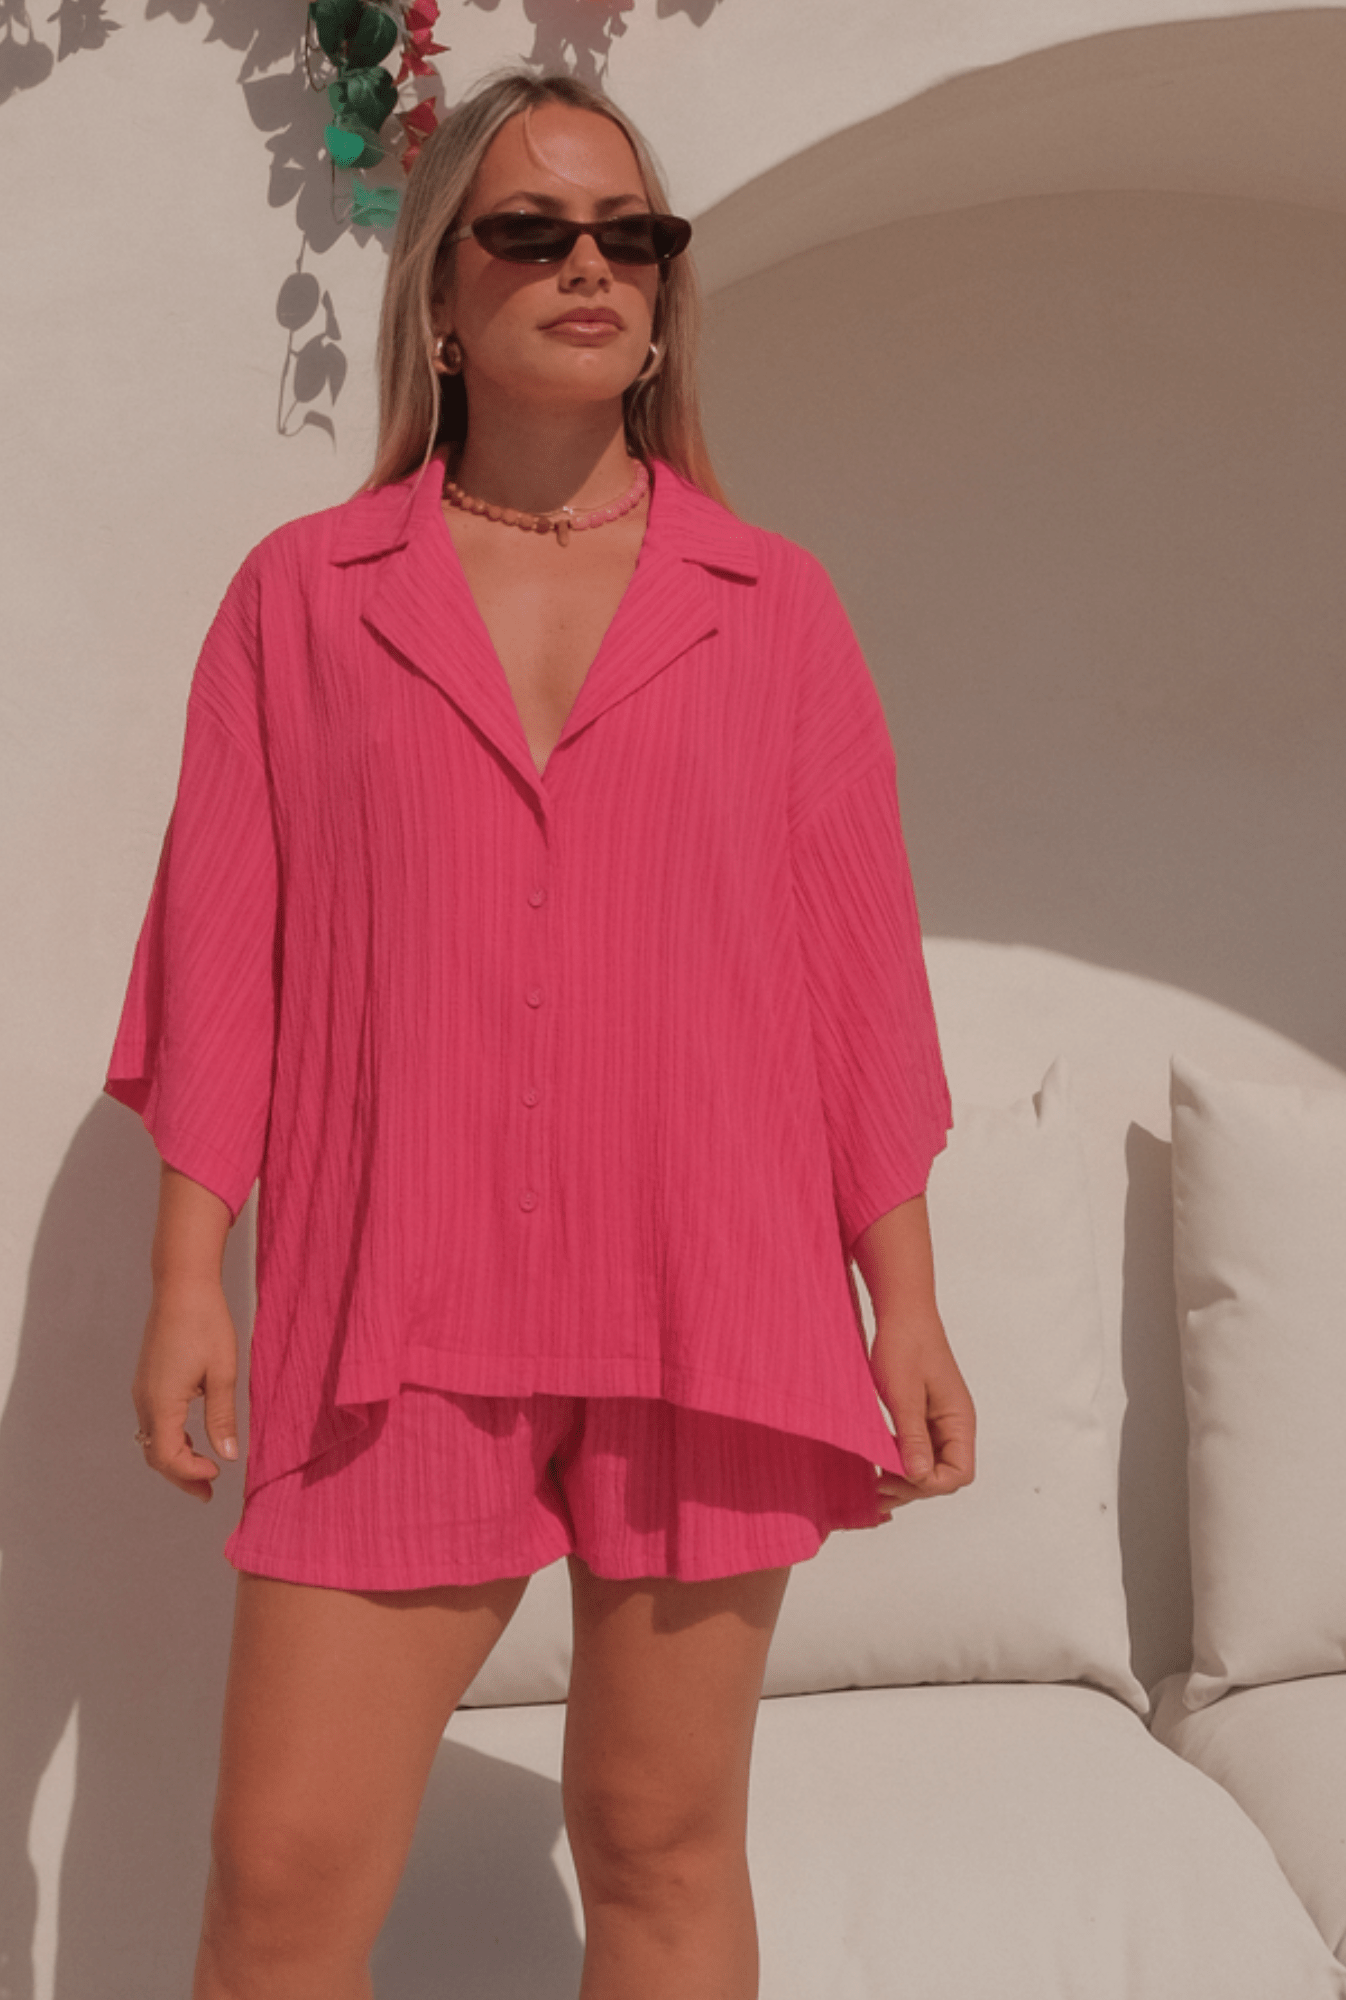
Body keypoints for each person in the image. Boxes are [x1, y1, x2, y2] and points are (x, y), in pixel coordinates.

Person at [106, 65, 976, 2000]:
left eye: (631, 237)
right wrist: (187, 1276)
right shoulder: (304, 603)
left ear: (664, 295)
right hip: (395, 1310)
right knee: (278, 1883)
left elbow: (854, 977)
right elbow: (223, 951)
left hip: (709, 1290)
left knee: (661, 1845)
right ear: (442, 291)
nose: (590, 266)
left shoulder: (776, 608)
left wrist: (903, 1303)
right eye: (531, 230)